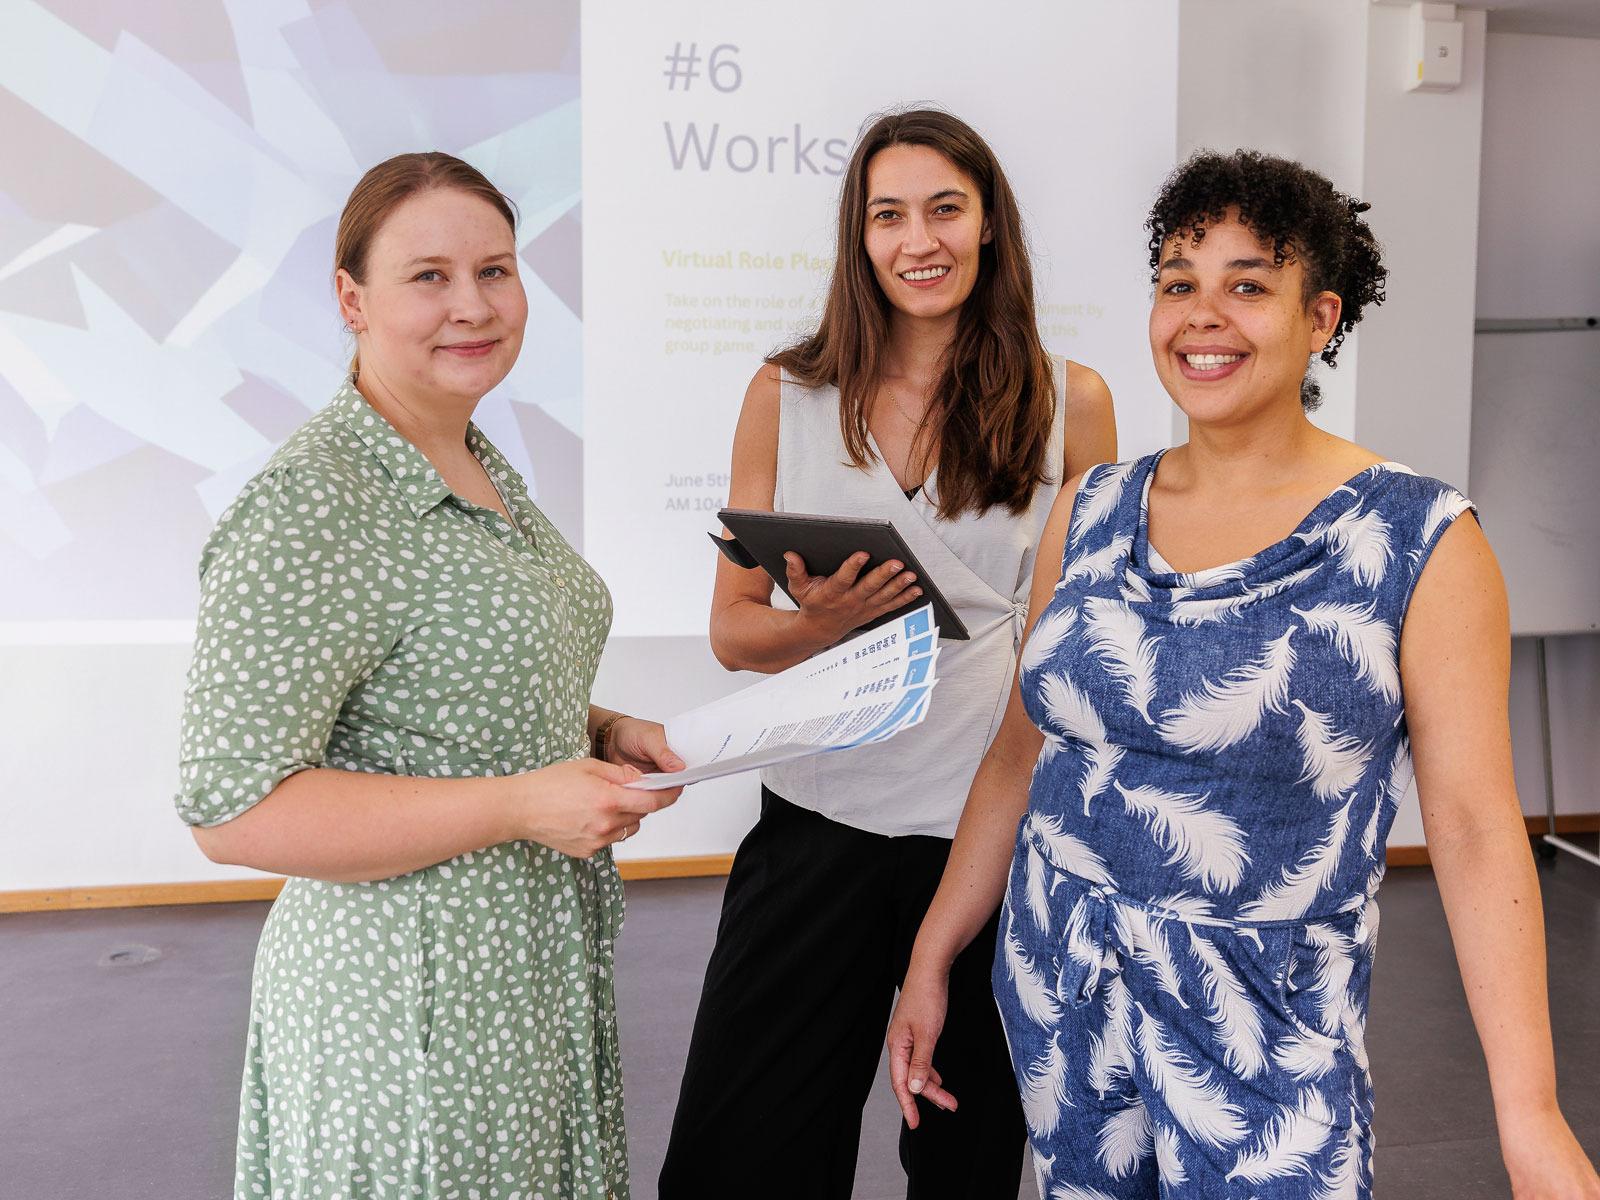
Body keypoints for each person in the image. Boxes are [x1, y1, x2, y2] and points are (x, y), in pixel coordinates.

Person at [888, 149, 1600, 1199]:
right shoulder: (1087, 508)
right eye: (1178, 283)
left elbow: (1472, 825)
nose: (1200, 316)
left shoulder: (1417, 539)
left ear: (1320, 317)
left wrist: (1526, 1110)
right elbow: (1015, 759)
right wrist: (930, 958)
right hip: (1061, 985)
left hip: (1265, 1026)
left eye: (1247, 285)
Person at [175, 152, 683, 1200]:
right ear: (350, 299)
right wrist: (515, 802)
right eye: (429, 277)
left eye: (496, 271)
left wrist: (589, 729)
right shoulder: (315, 503)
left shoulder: (467, 454)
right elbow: (232, 812)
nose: (474, 305)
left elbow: (428, 678)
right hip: (403, 1021)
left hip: (513, 993)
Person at [658, 110, 1117, 1199]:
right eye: (888, 215)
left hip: (990, 839)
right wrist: (814, 626)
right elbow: (734, 627)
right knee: (747, 1151)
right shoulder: (786, 393)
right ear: (857, 240)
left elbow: (1076, 646)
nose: (920, 239)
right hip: (818, 825)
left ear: (989, 224)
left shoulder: (1071, 402)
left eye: (945, 209)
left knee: (962, 1160)